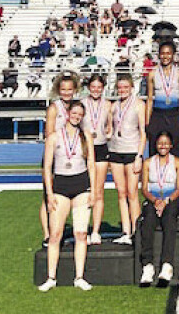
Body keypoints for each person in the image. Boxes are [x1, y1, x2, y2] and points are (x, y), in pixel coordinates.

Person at [38, 101, 95, 292]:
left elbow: (91, 165)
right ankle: (51, 277)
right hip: (60, 187)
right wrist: (49, 193)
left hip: (81, 187)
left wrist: (94, 191)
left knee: (81, 234)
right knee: (55, 235)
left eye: (80, 114)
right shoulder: (53, 137)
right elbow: (47, 167)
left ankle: (79, 277)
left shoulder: (86, 136)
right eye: (74, 113)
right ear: (68, 113)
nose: (76, 116)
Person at [40, 71, 81, 248]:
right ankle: (47, 235)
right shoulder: (54, 108)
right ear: (58, 90)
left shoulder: (76, 107)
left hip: (69, 158)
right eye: (63, 89)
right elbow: (49, 134)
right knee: (48, 197)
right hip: (54, 155)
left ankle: (58, 230)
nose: (66, 92)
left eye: (69, 89)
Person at [139, 131, 179, 287]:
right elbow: (144, 189)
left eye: (166, 143)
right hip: (153, 199)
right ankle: (148, 265)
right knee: (148, 221)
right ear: (155, 145)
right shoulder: (148, 163)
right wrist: (155, 200)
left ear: (171, 145)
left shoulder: (178, 162)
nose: (163, 145)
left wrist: (165, 201)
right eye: (160, 143)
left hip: (171, 199)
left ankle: (167, 265)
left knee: (170, 220)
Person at [108, 75, 146, 245]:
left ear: (131, 87)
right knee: (121, 193)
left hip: (132, 151)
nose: (122, 90)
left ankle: (137, 230)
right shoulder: (114, 106)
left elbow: (143, 133)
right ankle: (125, 230)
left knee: (132, 193)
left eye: (125, 87)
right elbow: (110, 128)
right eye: (120, 87)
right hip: (115, 151)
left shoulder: (139, 104)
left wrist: (139, 156)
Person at [82, 75, 112, 245]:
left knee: (98, 190)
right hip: (86, 149)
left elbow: (110, 126)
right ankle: (83, 229)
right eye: (93, 86)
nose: (96, 90)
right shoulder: (81, 104)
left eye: (99, 87)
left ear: (103, 88)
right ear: (88, 87)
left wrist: (108, 133)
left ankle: (95, 231)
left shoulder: (107, 104)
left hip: (101, 148)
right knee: (84, 190)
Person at [146, 41, 179, 158]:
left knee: (177, 150)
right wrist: (147, 121)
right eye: (163, 53)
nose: (165, 56)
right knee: (154, 149)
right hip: (157, 114)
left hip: (174, 114)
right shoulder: (152, 74)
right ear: (159, 55)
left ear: (173, 54)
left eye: (168, 53)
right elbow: (149, 99)